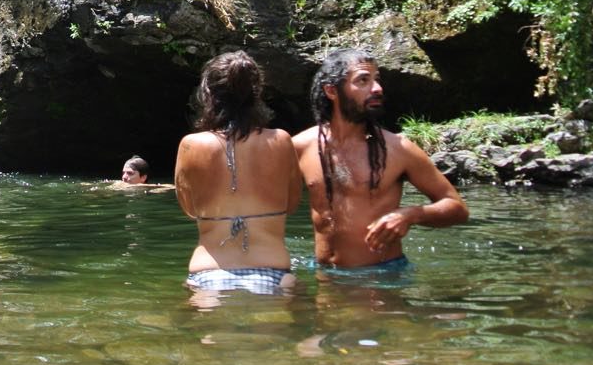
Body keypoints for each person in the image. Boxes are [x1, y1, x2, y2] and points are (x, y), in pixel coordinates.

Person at [293, 48, 469, 270]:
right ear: (331, 91)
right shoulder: (302, 146)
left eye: (376, 79)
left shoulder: (399, 149)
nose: (377, 88)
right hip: (325, 275)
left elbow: (457, 208)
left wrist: (410, 215)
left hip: (383, 277)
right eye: (363, 80)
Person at [174, 51, 302, 296]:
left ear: (208, 94)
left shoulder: (191, 144)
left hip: (207, 273)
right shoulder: (281, 140)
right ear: (257, 93)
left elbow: (190, 209)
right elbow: (292, 204)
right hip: (274, 272)